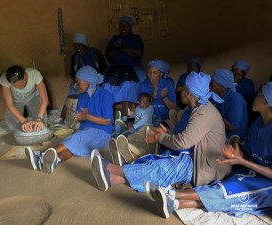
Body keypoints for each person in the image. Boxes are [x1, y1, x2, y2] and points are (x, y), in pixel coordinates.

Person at [91, 72, 231, 193]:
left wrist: (161, 137)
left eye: (183, 88)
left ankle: (112, 169)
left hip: (205, 166)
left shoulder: (204, 113)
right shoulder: (192, 109)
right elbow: (179, 133)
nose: (180, 90)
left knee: (168, 166)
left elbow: (182, 142)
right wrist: (165, 132)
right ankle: (112, 179)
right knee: (159, 160)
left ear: (188, 93)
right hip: (193, 155)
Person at [150, 82, 272, 218]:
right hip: (253, 172)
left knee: (231, 191)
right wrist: (237, 155)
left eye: (258, 96)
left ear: (268, 102)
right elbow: (249, 154)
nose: (254, 98)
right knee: (223, 187)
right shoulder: (257, 125)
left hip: (268, 182)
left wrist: (242, 161)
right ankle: (175, 204)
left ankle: (172, 195)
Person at [25, 66, 114, 173]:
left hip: (102, 134)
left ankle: (41, 156)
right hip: (86, 130)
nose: (77, 86)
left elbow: (107, 121)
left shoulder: (106, 96)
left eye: (79, 83)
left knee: (76, 138)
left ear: (89, 82)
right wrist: (80, 118)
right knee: (71, 147)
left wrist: (86, 116)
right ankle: (55, 161)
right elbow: (81, 117)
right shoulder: (82, 96)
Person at [54, 33, 107, 127]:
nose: (78, 48)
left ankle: (95, 117)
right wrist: (78, 81)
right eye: (75, 46)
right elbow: (72, 73)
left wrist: (93, 80)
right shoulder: (75, 57)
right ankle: (62, 118)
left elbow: (103, 68)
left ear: (85, 44)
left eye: (80, 45)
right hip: (80, 82)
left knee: (95, 93)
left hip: (95, 80)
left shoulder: (95, 54)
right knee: (71, 94)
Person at [102, 15, 145, 117]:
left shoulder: (135, 38)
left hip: (132, 68)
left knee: (128, 86)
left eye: (126, 25)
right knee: (107, 85)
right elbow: (108, 56)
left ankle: (126, 116)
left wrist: (122, 48)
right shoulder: (115, 39)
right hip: (116, 68)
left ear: (130, 27)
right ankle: (108, 115)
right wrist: (116, 48)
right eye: (121, 25)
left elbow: (138, 53)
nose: (123, 28)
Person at [0, 65, 48, 132]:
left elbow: (44, 99)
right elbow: (9, 104)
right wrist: (24, 121)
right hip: (16, 101)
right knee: (13, 128)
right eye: (15, 86)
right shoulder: (4, 79)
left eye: (20, 84)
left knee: (42, 124)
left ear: (25, 76)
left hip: (33, 98)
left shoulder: (34, 74)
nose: (19, 87)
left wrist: (39, 118)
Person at [210, 69, 248, 140]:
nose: (210, 87)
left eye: (212, 84)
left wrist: (212, 112)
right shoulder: (216, 95)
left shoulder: (235, 99)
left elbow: (233, 127)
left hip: (234, 138)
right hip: (221, 133)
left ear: (223, 86)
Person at [138, 59, 176, 126]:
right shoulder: (142, 86)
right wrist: (152, 98)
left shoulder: (168, 84)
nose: (151, 75)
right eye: (149, 72)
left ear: (161, 74)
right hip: (147, 117)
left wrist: (164, 97)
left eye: (155, 73)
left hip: (164, 118)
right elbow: (140, 107)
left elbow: (173, 107)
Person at [231, 59, 257, 126]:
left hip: (242, 116)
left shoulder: (248, 84)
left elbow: (251, 103)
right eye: (235, 73)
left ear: (244, 75)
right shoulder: (225, 81)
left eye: (240, 74)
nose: (236, 77)